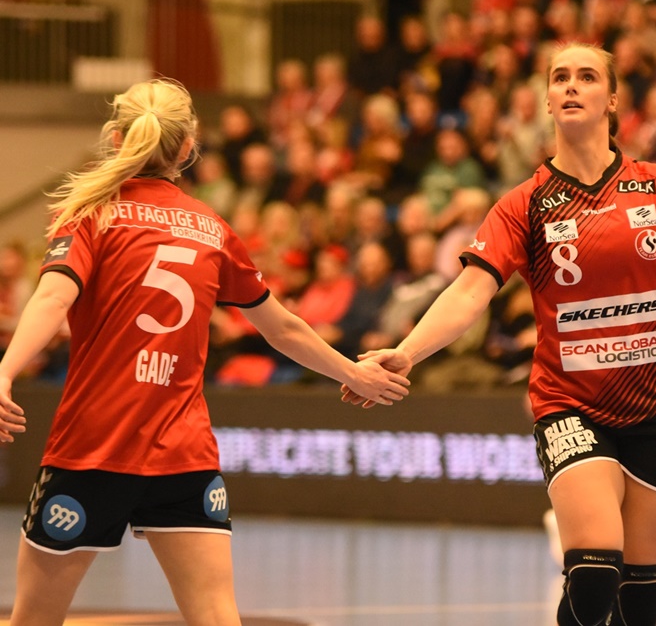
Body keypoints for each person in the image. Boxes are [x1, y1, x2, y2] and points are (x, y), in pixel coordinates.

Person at [342, 41, 656, 626]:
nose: (572, 85)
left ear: (613, 99)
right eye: (560, 77)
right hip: (572, 403)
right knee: (594, 575)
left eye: (588, 76)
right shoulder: (523, 205)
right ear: (547, 100)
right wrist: (408, 351)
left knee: (641, 596)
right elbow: (470, 292)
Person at [0, 79, 409, 625]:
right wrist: (353, 373)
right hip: (182, 453)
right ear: (188, 147)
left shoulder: (92, 214)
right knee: (217, 615)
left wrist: (4, 372)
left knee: (33, 620)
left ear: (117, 138)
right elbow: (283, 328)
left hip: (93, 448)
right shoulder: (212, 229)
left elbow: (53, 297)